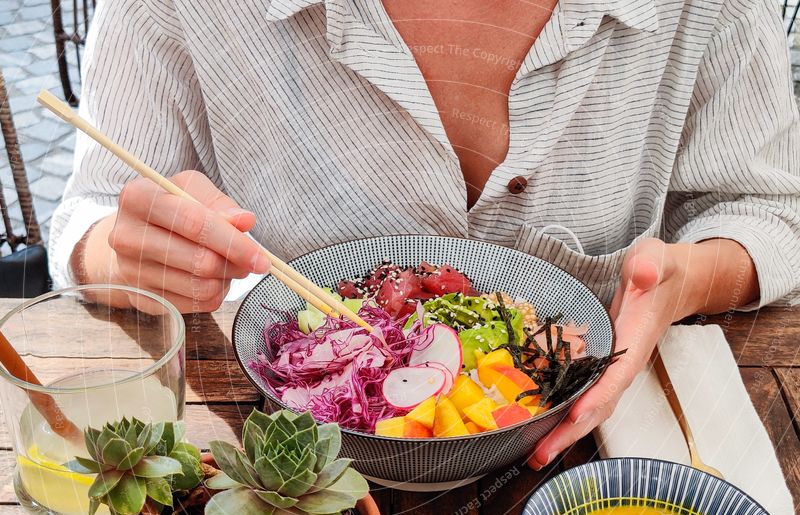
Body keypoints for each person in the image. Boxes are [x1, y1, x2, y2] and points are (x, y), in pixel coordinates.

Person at [49, 0, 800, 469]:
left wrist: (692, 278)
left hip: (604, 467)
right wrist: (126, 249)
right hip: (281, 465)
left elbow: (773, 209)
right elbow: (85, 217)